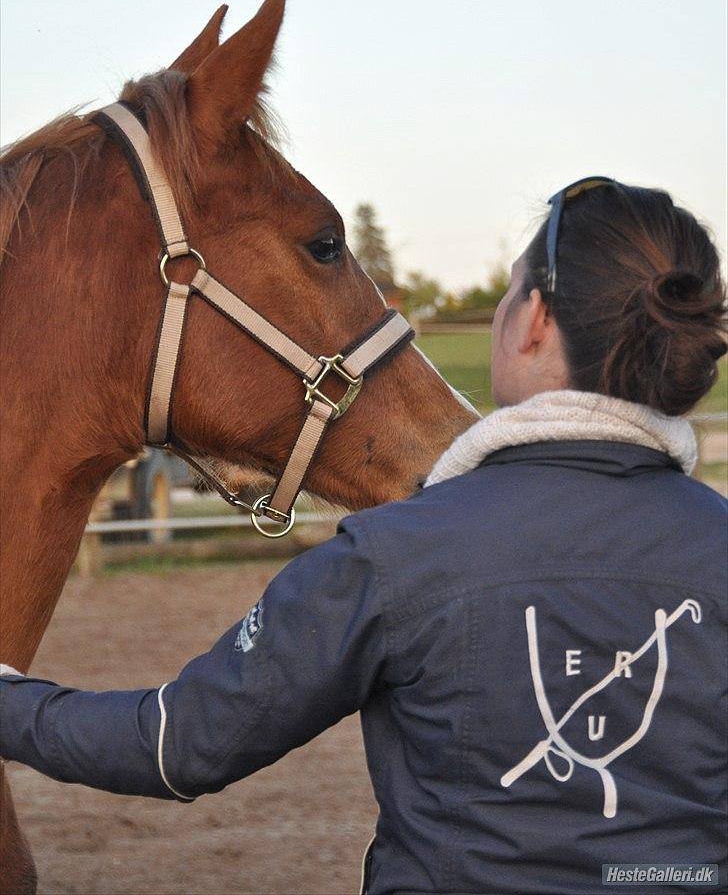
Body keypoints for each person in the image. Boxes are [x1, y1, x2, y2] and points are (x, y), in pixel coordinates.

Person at [2, 178, 726, 894]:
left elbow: (172, 744)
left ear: (533, 320)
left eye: (509, 292)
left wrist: (10, 702)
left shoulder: (396, 552)